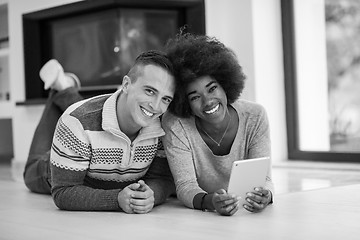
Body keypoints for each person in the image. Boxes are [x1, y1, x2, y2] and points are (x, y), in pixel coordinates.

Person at [23, 51, 176, 213]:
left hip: (89, 139)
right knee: (30, 174)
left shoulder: (162, 127)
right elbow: (63, 191)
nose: (157, 106)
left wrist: (152, 194)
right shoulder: (76, 122)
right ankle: (60, 88)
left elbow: (162, 179)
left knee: (90, 119)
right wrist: (116, 199)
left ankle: (64, 87)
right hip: (57, 166)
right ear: (126, 85)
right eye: (150, 91)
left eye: (166, 99)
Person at [162, 33, 274, 216]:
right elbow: (185, 186)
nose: (208, 101)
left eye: (212, 88)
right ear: (185, 103)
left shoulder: (255, 116)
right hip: (196, 217)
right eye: (195, 97)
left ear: (225, 84)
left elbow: (266, 179)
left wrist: (265, 195)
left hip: (244, 214)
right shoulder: (176, 125)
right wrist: (210, 202)